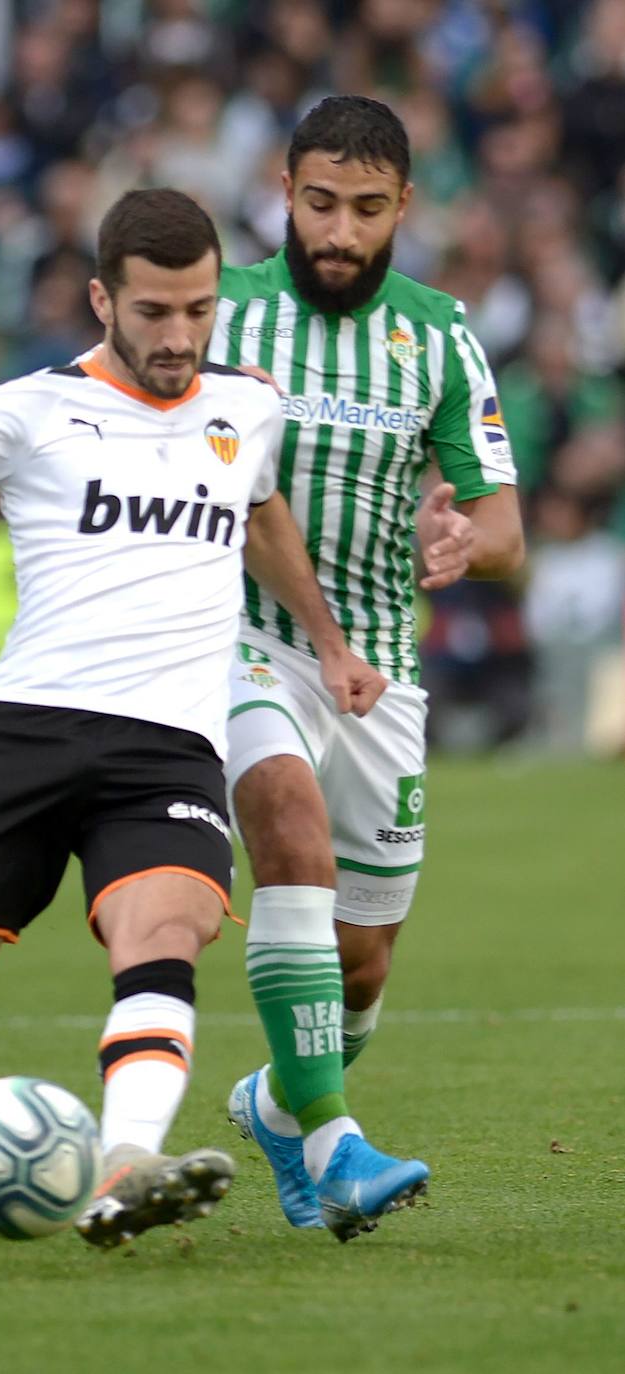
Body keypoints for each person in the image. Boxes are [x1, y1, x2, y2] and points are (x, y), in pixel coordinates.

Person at [0, 187, 422, 1254]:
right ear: (101, 300)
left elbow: (258, 509)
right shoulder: (30, 409)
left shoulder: (245, 408)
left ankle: (123, 1166)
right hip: (26, 735)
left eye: (198, 311)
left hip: (169, 747)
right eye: (154, 313)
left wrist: (324, 638)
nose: (179, 337)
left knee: (165, 937)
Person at [210, 96, 524, 1230]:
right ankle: (337, 1145)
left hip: (380, 672)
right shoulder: (220, 312)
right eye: (319, 203)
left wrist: (462, 540)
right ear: (283, 188)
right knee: (287, 829)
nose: (339, 234)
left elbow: (503, 530)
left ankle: (279, 1105)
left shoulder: (438, 333)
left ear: (404, 208)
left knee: (362, 969)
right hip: (238, 643)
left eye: (367, 211)